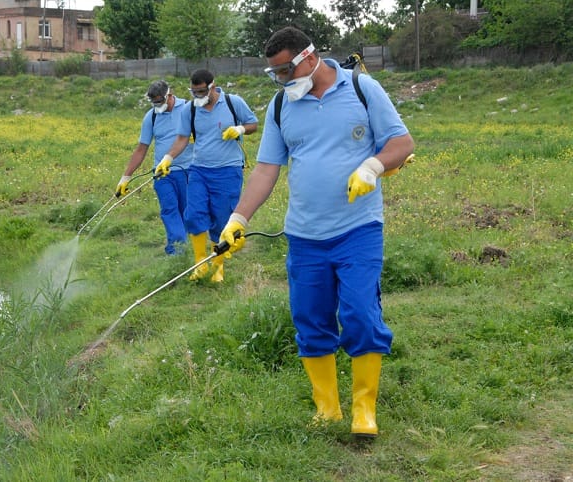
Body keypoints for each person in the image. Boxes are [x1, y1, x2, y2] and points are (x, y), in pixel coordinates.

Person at [219, 26, 414, 438]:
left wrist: (372, 167)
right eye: (274, 73)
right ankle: (327, 409)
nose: (280, 80)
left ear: (308, 58)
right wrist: (238, 219)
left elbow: (401, 142)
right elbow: (266, 170)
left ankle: (364, 409)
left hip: (358, 229)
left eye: (284, 70)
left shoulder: (361, 88)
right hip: (304, 236)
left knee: (360, 313)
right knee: (310, 318)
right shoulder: (281, 106)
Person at [154, 69, 258, 282]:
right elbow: (182, 138)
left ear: (212, 86)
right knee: (193, 214)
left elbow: (253, 124)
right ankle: (200, 264)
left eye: (201, 92)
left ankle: (218, 267)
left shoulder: (233, 102)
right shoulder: (190, 109)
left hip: (228, 170)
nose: (197, 96)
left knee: (221, 219)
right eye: (194, 92)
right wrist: (167, 158)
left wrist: (240, 129)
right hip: (199, 170)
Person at [115, 80, 193, 255]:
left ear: (169, 95)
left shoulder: (188, 109)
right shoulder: (151, 117)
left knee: (187, 213)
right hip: (162, 174)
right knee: (169, 210)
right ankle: (176, 251)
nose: (157, 105)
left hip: (188, 172)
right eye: (154, 102)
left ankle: (189, 248)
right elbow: (141, 149)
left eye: (160, 101)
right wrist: (126, 177)